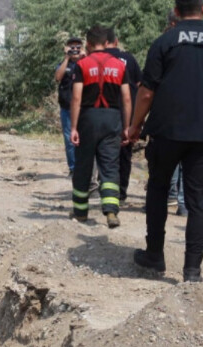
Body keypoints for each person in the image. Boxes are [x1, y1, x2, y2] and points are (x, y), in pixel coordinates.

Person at [127, 0, 203, 283]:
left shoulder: (165, 42)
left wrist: (135, 126)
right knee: (198, 197)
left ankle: (154, 255)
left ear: (176, 10)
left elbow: (147, 92)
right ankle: (192, 270)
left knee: (159, 189)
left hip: (167, 131)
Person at [69, 25, 131, 228]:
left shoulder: (82, 65)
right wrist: (126, 126)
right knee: (110, 166)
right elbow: (127, 99)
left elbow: (76, 98)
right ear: (106, 43)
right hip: (112, 118)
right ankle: (111, 211)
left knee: (83, 166)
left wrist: (74, 127)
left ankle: (80, 212)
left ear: (87, 44)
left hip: (88, 118)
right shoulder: (120, 65)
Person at [104, 28, 141, 203]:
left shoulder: (98, 60)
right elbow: (140, 85)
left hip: (105, 112)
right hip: (128, 111)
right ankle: (122, 191)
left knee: (106, 152)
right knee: (125, 153)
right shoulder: (130, 59)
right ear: (116, 41)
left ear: (104, 43)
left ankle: (107, 189)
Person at [56, 36, 86, 174]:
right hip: (67, 107)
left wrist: (85, 56)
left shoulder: (86, 62)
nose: (75, 50)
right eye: (72, 47)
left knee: (85, 139)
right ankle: (73, 168)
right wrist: (67, 58)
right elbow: (58, 77)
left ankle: (85, 167)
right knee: (69, 140)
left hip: (84, 108)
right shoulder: (64, 64)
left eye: (77, 47)